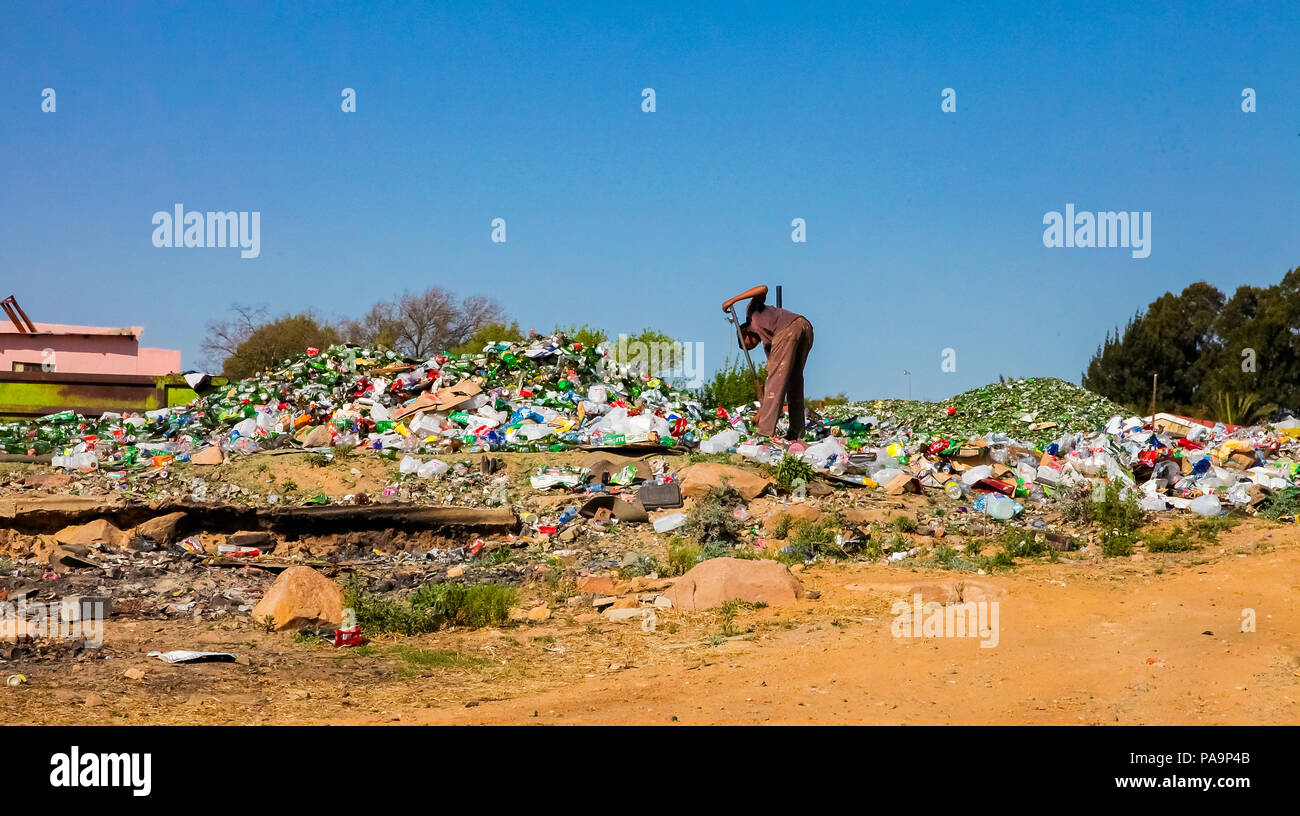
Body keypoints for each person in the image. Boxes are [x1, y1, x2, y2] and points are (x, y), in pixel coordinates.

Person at [721, 285, 814, 440]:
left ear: (744, 331)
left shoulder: (752, 313)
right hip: (804, 327)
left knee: (776, 383)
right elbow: (776, 381)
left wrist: (733, 300)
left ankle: (764, 432)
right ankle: (796, 432)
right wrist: (761, 411)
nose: (753, 346)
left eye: (749, 344)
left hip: (789, 329)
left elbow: (763, 288)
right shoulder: (769, 343)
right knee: (794, 383)